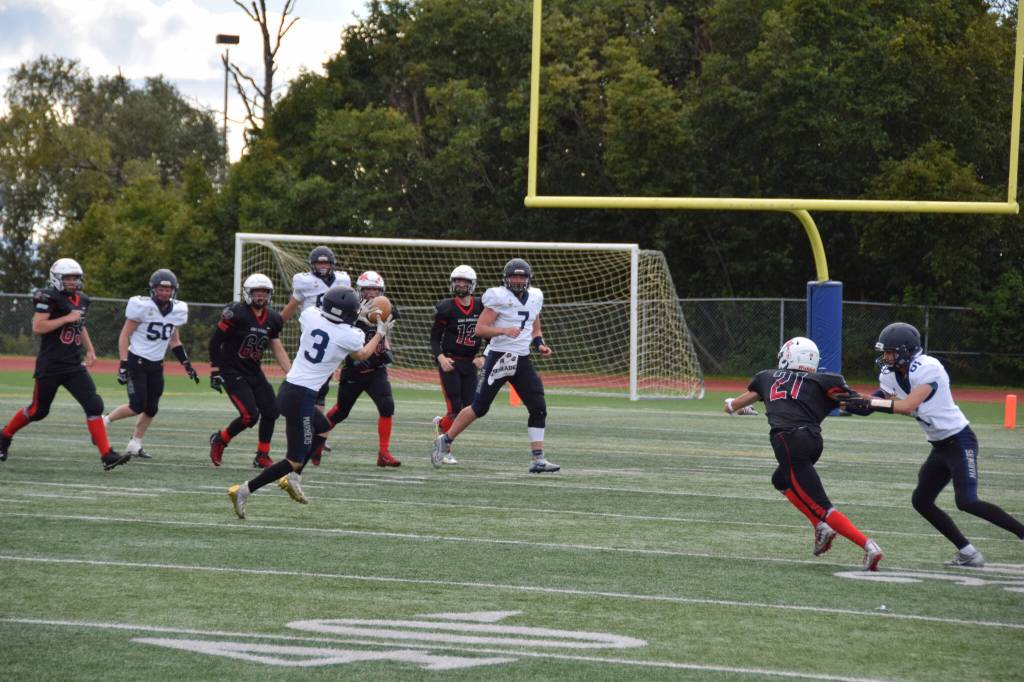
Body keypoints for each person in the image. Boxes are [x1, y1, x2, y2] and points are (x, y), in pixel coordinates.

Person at [843, 322, 1024, 568]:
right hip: (939, 446)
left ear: (907, 350)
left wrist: (868, 402)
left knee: (967, 501)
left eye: (890, 352)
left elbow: (907, 406)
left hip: (960, 441)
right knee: (922, 501)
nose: (886, 357)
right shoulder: (890, 374)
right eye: (885, 352)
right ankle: (968, 552)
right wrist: (845, 400)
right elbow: (874, 403)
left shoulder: (928, 368)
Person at [228, 286, 390, 519]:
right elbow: (362, 354)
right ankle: (244, 490)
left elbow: (334, 325)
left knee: (323, 428)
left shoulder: (311, 316)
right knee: (294, 459)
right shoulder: (350, 335)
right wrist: (379, 333)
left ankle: (293, 478)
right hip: (301, 397)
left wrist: (356, 319)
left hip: (289, 389)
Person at [724, 336, 884, 571]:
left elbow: (732, 405)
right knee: (780, 479)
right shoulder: (823, 381)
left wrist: (737, 406)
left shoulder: (767, 377)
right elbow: (859, 406)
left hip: (789, 442)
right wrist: (889, 401)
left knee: (822, 506)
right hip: (812, 442)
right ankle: (820, 527)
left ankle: (868, 546)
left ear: (787, 356)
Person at [431, 258, 559, 474]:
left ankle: (538, 458)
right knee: (479, 407)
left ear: (529, 279)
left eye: (522, 277)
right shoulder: (498, 297)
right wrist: (503, 331)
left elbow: (535, 328)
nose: (518, 280)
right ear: (506, 279)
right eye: (514, 276)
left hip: (522, 359)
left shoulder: (535, 297)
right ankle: (445, 439)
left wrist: (540, 344)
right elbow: (480, 329)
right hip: (499, 357)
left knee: (538, 407)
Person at [0, 258, 128, 470]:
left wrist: (90, 348)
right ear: (57, 279)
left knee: (94, 404)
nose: (72, 282)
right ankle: (4, 435)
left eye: (75, 278)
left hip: (73, 365)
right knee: (38, 411)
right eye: (67, 278)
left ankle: (107, 455)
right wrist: (66, 318)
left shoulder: (83, 299)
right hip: (51, 365)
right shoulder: (48, 297)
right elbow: (38, 327)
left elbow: (80, 323)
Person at [103, 269, 198, 458]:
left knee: (152, 408)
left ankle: (134, 444)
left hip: (157, 364)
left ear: (174, 291)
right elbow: (124, 335)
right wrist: (123, 364)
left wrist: (186, 364)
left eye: (168, 289)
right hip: (136, 360)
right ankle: (104, 421)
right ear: (153, 289)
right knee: (136, 405)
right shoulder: (142, 307)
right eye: (161, 289)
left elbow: (175, 341)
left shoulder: (177, 311)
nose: (165, 293)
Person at [208, 273, 291, 468]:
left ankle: (262, 455)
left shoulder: (272, 318)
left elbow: (276, 347)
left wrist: (292, 373)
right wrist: (215, 370)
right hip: (232, 370)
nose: (260, 296)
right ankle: (221, 439)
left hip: (253, 371)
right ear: (248, 293)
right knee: (250, 416)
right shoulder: (236, 312)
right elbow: (215, 342)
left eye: (264, 292)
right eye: (256, 292)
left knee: (271, 411)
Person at [319, 271, 401, 467]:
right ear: (359, 290)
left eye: (375, 289)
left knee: (387, 407)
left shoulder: (388, 307)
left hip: (376, 369)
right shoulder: (349, 308)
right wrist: (352, 357)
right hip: (354, 369)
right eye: (367, 289)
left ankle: (383, 453)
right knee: (341, 412)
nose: (372, 293)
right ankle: (317, 442)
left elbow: (384, 331)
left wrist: (386, 349)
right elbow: (340, 336)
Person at [281, 246, 351, 419]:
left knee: (322, 386)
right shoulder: (304, 281)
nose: (322, 266)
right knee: (307, 381)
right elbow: (292, 305)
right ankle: (305, 422)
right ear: (312, 264)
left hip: (333, 336)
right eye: (319, 262)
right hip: (311, 337)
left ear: (332, 263)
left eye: (326, 262)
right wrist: (275, 324)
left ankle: (314, 429)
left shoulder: (343, 280)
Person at [429, 265, 485, 465]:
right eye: (457, 281)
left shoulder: (481, 306)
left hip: (470, 363)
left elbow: (489, 333)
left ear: (472, 284)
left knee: (470, 409)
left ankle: (440, 425)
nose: (460, 285)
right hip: (451, 362)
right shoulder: (446, 307)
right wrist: (441, 358)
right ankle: (445, 448)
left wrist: (484, 356)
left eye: (465, 281)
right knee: (455, 408)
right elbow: (434, 339)